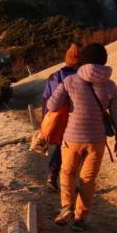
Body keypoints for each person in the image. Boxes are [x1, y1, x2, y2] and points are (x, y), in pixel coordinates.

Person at [46, 43, 117, 232]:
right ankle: (80, 219)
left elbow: (52, 105)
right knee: (88, 179)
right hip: (97, 140)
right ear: (104, 61)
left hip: (72, 137)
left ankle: (67, 207)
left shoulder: (70, 81)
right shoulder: (110, 85)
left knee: (67, 172)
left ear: (83, 61)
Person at [41, 43, 81, 192]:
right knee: (74, 151)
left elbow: (45, 98)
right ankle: (70, 183)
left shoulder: (54, 76)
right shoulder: (81, 75)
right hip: (75, 118)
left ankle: (52, 176)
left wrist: (45, 120)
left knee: (60, 147)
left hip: (57, 118)